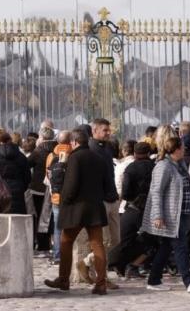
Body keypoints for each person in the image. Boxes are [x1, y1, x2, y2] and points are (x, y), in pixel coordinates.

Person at [44, 128, 113, 295]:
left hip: (76, 208)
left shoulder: (74, 158)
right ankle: (101, 283)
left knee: (66, 242)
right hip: (95, 207)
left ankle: (63, 279)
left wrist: (64, 200)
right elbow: (107, 183)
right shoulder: (98, 158)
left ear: (74, 142)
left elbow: (71, 184)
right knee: (97, 245)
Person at [141, 136, 190, 293]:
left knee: (166, 247)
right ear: (176, 149)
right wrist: (157, 215)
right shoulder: (163, 166)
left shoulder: (179, 164)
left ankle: (154, 280)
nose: (185, 150)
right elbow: (157, 192)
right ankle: (188, 281)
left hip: (180, 213)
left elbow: (179, 184)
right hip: (170, 215)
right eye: (182, 147)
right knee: (180, 246)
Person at [111, 142, 154, 278]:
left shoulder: (130, 168)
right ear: (148, 153)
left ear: (134, 154)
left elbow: (126, 191)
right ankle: (134, 265)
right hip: (150, 208)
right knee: (151, 240)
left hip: (133, 207)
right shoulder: (154, 167)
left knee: (125, 238)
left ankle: (118, 263)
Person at [88, 119, 120, 267]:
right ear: (95, 131)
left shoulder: (107, 148)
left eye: (109, 130)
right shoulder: (90, 149)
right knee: (104, 240)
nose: (108, 133)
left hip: (112, 198)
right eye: (105, 130)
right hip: (100, 200)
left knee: (116, 240)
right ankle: (98, 271)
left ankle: (89, 264)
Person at [27, 126, 57, 255]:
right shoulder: (56, 148)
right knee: (51, 216)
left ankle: (42, 243)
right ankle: (51, 242)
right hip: (53, 187)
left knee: (39, 216)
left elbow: (28, 164)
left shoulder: (38, 151)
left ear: (42, 137)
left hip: (38, 188)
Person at [45, 130, 73, 265]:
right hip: (71, 196)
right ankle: (71, 254)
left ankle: (57, 255)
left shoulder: (51, 155)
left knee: (57, 227)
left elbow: (48, 175)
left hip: (56, 196)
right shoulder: (74, 153)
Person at [0, 132, 31, 214]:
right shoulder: (21, 156)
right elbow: (27, 177)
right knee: (18, 220)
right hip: (18, 191)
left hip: (0, 192)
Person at [115, 140, 137, 213]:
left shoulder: (121, 165)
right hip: (138, 205)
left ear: (124, 151)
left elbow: (118, 186)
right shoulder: (139, 164)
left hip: (123, 206)